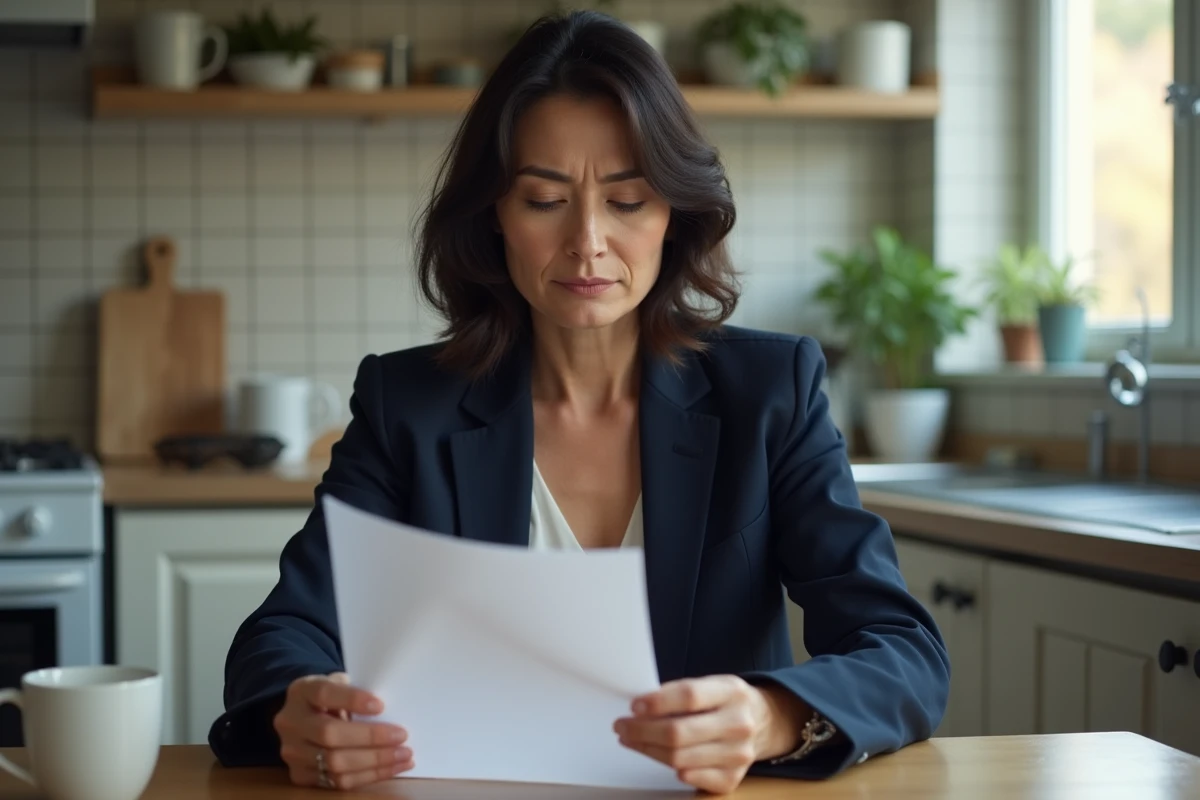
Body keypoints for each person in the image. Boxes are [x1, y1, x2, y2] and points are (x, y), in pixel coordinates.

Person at [209, 10, 949, 795]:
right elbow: (283, 634)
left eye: (627, 201)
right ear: (495, 215)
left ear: (673, 214)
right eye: (543, 199)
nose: (587, 241)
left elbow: (902, 650)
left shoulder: (769, 392)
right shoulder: (408, 407)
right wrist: (300, 711)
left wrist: (770, 716)